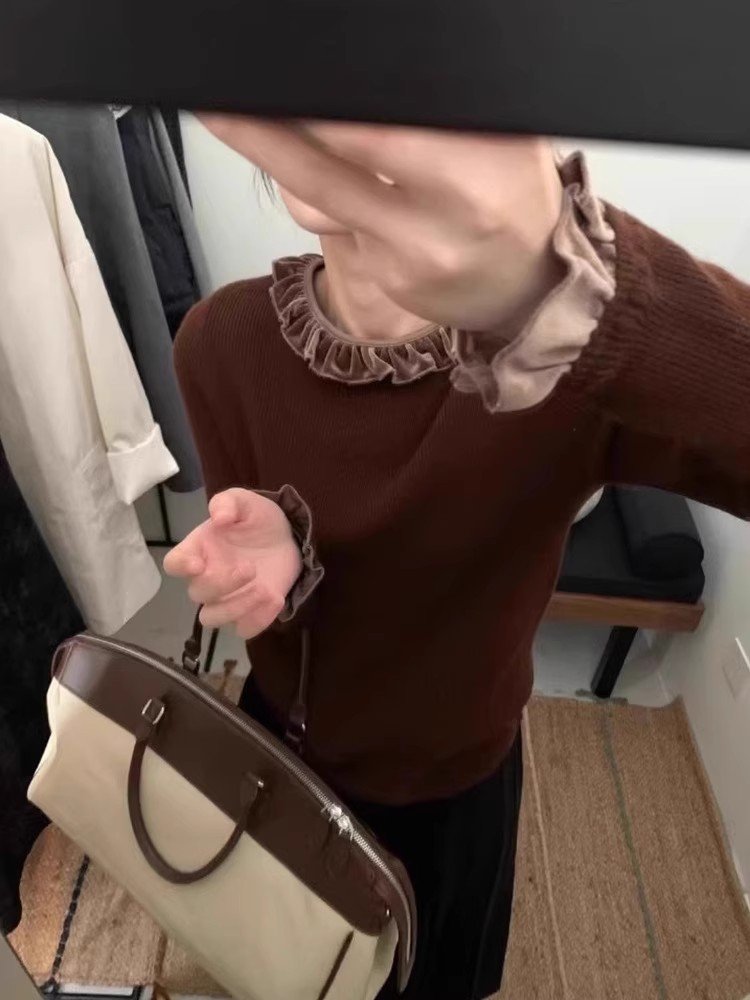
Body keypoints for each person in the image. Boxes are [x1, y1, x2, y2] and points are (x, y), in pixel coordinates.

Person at [165, 119, 750, 1000]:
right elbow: (264, 606)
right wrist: (283, 555)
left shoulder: (558, 372)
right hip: (279, 755)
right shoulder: (220, 341)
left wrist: (578, 282)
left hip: (452, 792)